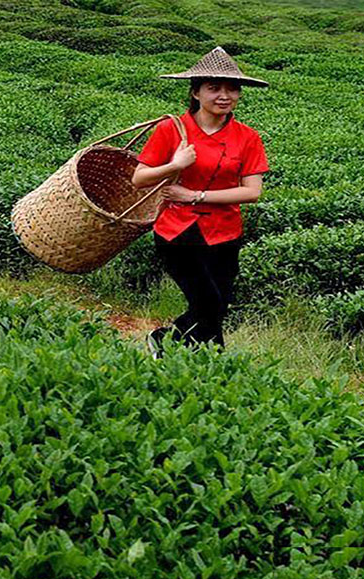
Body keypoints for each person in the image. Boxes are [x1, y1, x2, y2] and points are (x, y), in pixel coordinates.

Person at [132, 47, 270, 356]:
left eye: (232, 88)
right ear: (195, 92)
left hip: (225, 232)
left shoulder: (247, 137)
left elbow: (252, 192)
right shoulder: (171, 130)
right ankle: (215, 368)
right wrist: (175, 165)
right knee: (207, 302)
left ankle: (167, 341)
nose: (225, 95)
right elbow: (139, 179)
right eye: (214, 88)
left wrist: (195, 195)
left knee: (217, 306)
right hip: (177, 231)